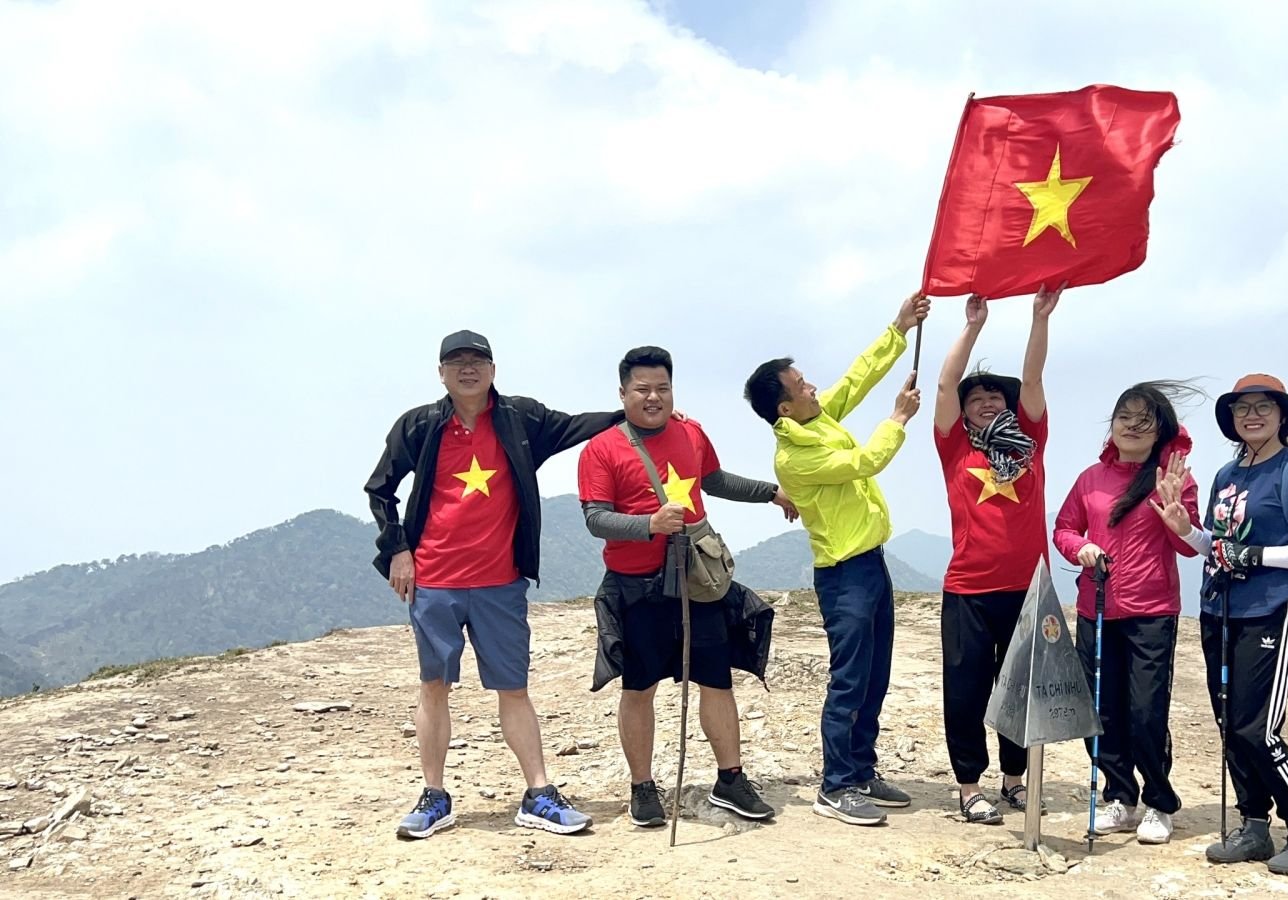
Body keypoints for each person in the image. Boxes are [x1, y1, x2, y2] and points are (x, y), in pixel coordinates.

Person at [365, 329, 621, 839]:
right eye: (455, 362)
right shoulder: (420, 425)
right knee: (433, 687)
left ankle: (539, 793)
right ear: (440, 372)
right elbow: (381, 489)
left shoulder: (519, 419)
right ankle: (434, 796)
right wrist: (397, 549)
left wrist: (632, 416)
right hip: (434, 579)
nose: (467, 369)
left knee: (514, 688)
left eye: (477, 360)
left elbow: (575, 427)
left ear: (492, 369)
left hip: (500, 582)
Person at [578, 345, 798, 828]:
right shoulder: (601, 449)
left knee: (716, 680)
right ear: (623, 393)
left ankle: (730, 780)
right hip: (636, 585)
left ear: (672, 388)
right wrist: (650, 524)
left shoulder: (691, 432)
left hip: (698, 581)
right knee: (639, 687)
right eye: (642, 389)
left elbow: (713, 479)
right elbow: (595, 518)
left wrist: (768, 492)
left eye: (662, 387)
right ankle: (642, 786)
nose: (653, 397)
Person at [742, 290, 929, 827]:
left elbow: (854, 379)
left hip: (872, 562)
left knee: (875, 673)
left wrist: (899, 327)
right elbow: (866, 461)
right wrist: (897, 417)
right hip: (844, 575)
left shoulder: (816, 419)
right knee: (850, 676)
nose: (814, 388)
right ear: (784, 407)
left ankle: (862, 767)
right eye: (802, 387)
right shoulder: (795, 456)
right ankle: (837, 783)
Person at [1151, 374, 1288, 876]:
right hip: (1223, 609)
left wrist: (1260, 555)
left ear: (1283, 416)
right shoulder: (1227, 475)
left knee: (1259, 729)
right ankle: (1254, 824)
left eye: (1262, 407)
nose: (1251, 415)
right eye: (1241, 409)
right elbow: (1220, 545)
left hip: (1275, 607)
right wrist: (1185, 530)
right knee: (1230, 725)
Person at [1053, 380, 1205, 844]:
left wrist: (1176, 511)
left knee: (1145, 711)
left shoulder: (1173, 479)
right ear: (1112, 425)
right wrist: (1082, 548)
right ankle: (1120, 794)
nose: (1133, 428)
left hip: (1151, 611)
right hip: (1095, 608)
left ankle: (1159, 802)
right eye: (1125, 418)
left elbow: (1188, 546)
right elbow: (1063, 528)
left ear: (1160, 430)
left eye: (1145, 421)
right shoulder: (1090, 479)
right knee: (1101, 710)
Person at [932, 286, 1060, 825]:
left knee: (1023, 690)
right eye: (976, 398)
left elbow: (1032, 379)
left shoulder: (1030, 439)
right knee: (966, 691)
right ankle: (969, 786)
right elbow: (942, 383)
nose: (987, 402)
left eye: (994, 397)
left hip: (1030, 587)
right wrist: (973, 325)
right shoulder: (955, 447)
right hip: (969, 588)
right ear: (963, 413)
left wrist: (1038, 317)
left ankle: (1014, 779)